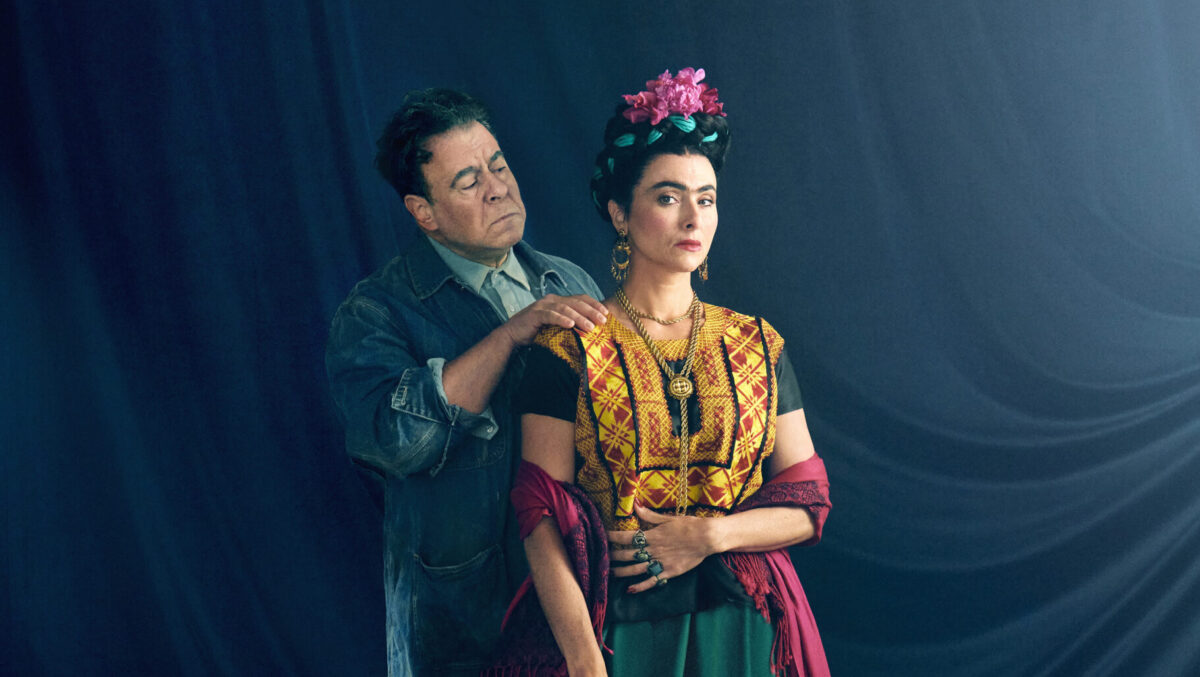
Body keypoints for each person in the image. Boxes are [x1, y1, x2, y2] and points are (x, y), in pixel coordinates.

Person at [488, 68, 833, 676]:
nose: (693, 218)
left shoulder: (757, 344)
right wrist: (584, 662)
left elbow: (809, 505)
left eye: (707, 199)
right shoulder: (568, 350)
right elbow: (538, 517)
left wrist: (710, 536)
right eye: (668, 198)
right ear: (620, 214)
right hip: (614, 633)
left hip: (741, 625)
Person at [325, 88, 608, 676]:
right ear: (423, 212)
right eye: (467, 181)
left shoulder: (568, 279)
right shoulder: (375, 312)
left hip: (582, 601)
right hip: (463, 625)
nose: (497, 188)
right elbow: (394, 444)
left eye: (498, 166)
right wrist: (508, 336)